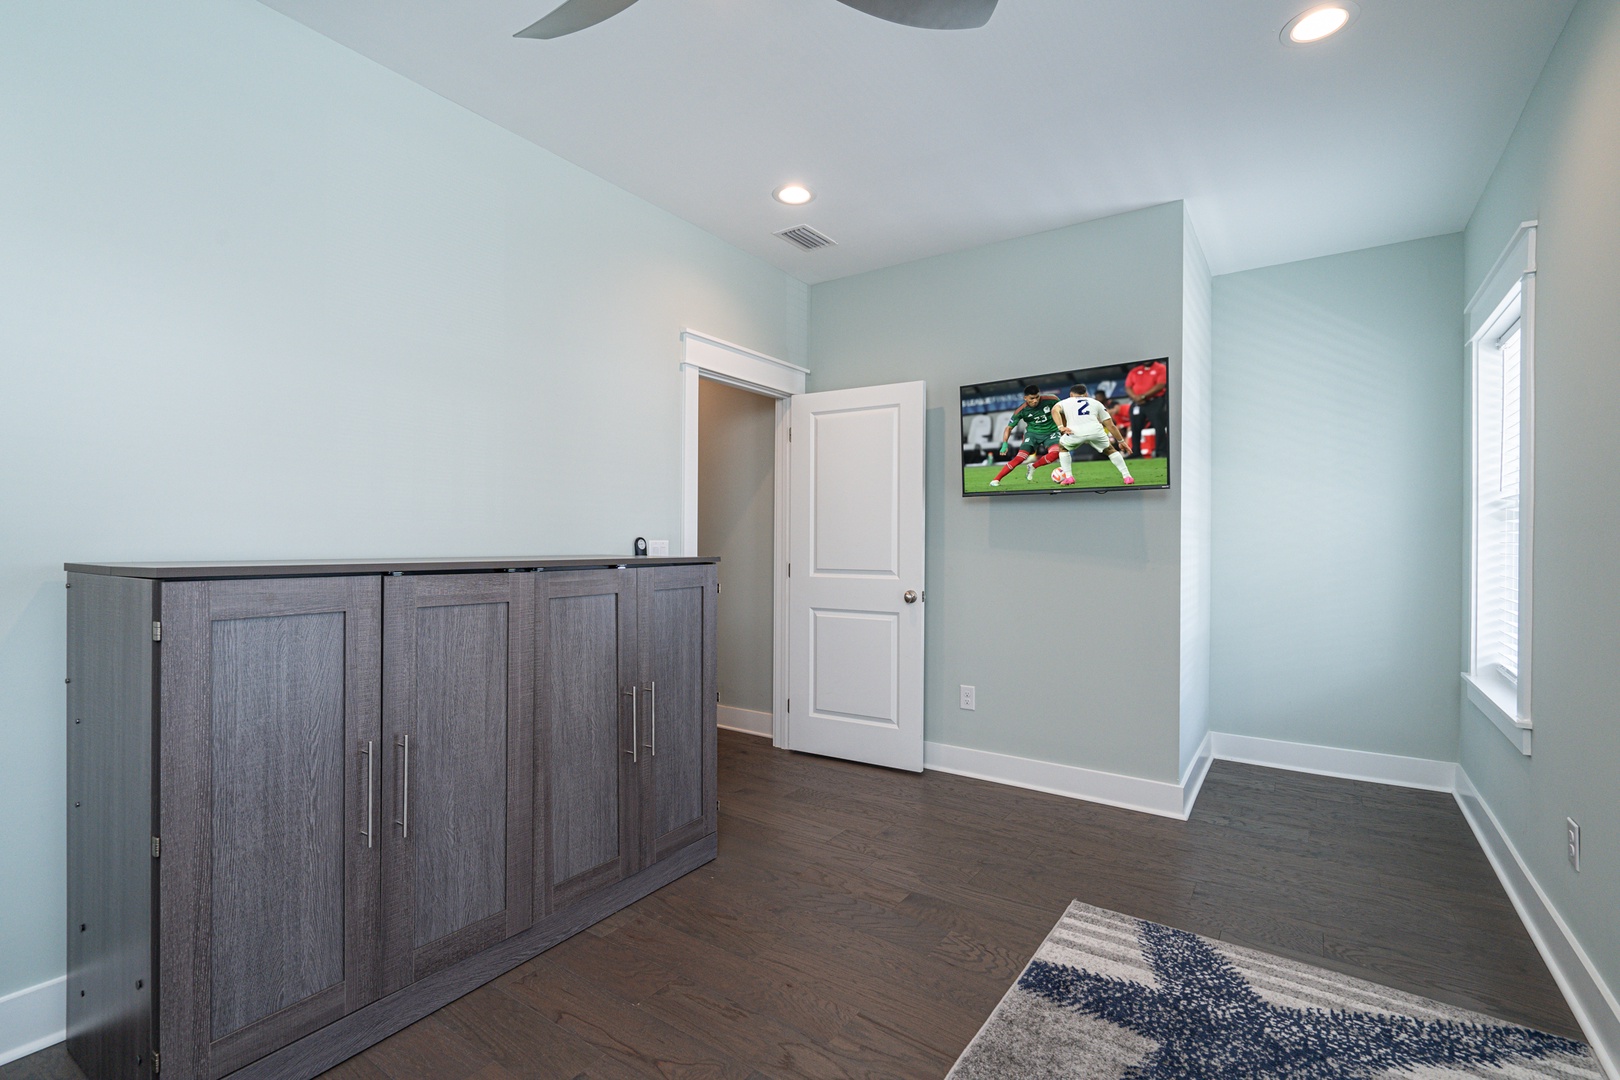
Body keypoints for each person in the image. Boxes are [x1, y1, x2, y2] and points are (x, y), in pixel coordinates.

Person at [1052, 384, 1134, 486]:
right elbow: (1110, 425)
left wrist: (1061, 427)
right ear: (1086, 394)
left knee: (1063, 447)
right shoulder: (1096, 403)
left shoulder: (1064, 402)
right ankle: (1127, 477)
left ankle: (1069, 477)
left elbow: (1054, 411)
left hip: (1075, 432)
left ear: (1071, 394)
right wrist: (1121, 441)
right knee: (1111, 450)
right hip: (1095, 431)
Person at [988, 385, 1063, 487]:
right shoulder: (1021, 410)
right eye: (1032, 398)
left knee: (1055, 453)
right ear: (1025, 398)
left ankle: (1033, 466)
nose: (1035, 400)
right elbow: (1008, 428)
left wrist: (1063, 426)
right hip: (1032, 434)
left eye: (1037, 397)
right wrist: (1004, 444)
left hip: (1051, 432)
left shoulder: (1052, 399)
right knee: (1020, 458)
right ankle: (996, 479)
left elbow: (1063, 411)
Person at [1124, 358, 1168, 459]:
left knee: (1159, 426)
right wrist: (1136, 397)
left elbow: (1161, 385)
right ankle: (1135, 452)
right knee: (1135, 427)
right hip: (1137, 402)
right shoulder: (1135, 371)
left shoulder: (1160, 368)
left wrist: (1143, 396)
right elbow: (1128, 386)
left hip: (1154, 401)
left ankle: (1160, 451)